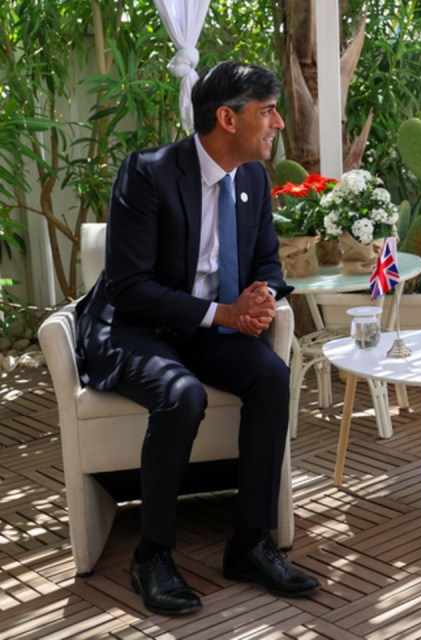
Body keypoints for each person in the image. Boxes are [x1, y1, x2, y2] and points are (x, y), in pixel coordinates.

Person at [75, 61, 320, 615]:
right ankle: (153, 556)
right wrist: (223, 315)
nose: (278, 122)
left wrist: (260, 298)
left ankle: (250, 544)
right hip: (135, 328)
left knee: (271, 377)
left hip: (210, 324)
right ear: (227, 118)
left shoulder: (253, 179)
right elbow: (129, 285)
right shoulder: (148, 172)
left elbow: (266, 263)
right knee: (181, 394)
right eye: (267, 111)